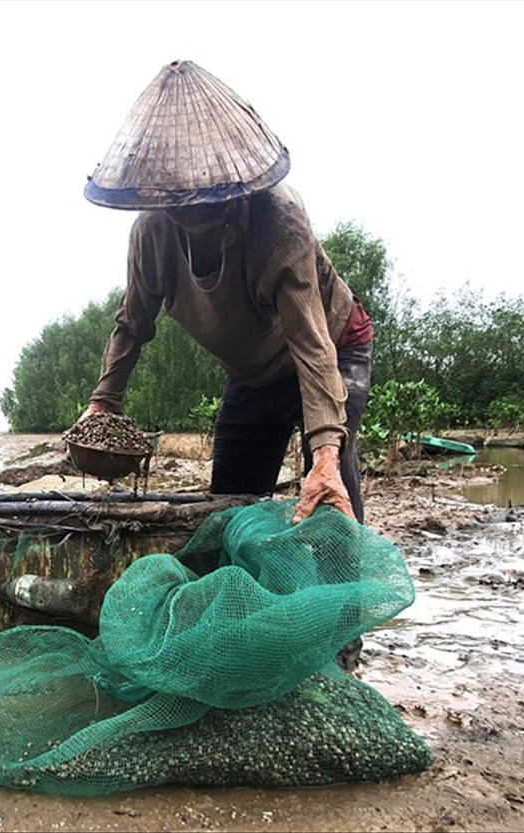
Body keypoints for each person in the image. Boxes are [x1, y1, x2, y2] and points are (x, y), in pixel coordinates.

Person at [79, 60, 375, 530]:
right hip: (254, 372)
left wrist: (324, 454)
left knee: (327, 494)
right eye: (177, 200)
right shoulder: (152, 234)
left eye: (205, 197)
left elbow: (311, 342)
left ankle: (344, 559)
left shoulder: (280, 223)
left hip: (332, 348)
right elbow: (131, 324)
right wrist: (102, 404)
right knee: (231, 505)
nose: (191, 210)